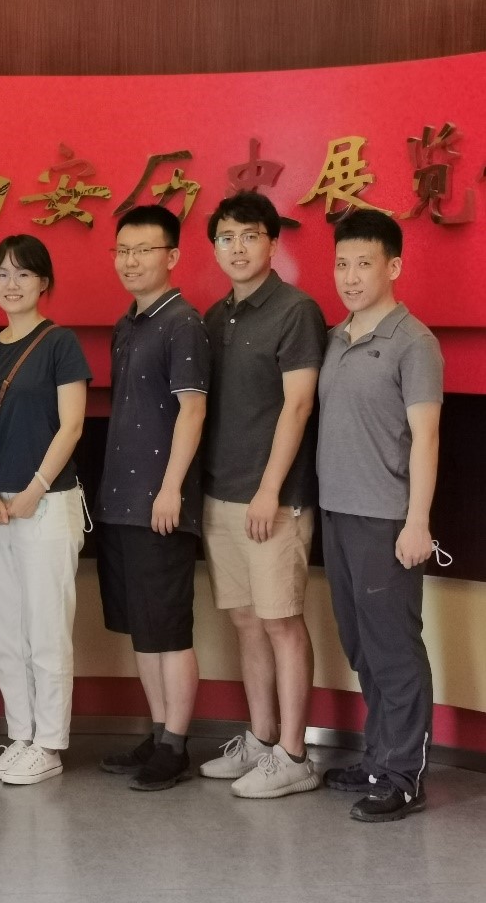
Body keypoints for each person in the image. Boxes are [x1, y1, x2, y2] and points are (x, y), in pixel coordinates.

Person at [197, 191, 327, 799]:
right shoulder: (213, 316)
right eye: (226, 237)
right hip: (220, 495)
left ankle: (295, 755)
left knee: (281, 622)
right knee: (246, 622)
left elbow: (298, 404)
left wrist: (269, 489)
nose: (237, 247)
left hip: (274, 500)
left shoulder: (296, 311)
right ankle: (261, 737)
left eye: (250, 235)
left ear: (273, 243)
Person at [317, 210, 442, 823]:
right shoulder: (335, 337)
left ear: (393, 267)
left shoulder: (414, 342)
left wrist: (418, 521)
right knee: (361, 644)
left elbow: (426, 437)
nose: (350, 276)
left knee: (393, 648)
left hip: (387, 519)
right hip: (336, 513)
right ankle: (377, 758)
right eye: (342, 263)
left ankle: (403, 775)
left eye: (363, 264)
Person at [95, 204, 209, 791]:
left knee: (168, 628)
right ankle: (159, 730)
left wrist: (170, 489)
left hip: (161, 504)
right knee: (143, 628)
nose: (131, 261)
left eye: (144, 250)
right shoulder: (127, 324)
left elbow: (193, 410)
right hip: (120, 501)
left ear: (172, 256)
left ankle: (176, 744)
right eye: (123, 250)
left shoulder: (182, 322)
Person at [0, 235, 90, 786]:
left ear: (44, 282)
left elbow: (72, 425)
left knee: (46, 630)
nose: (11, 283)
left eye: (22, 273)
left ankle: (49, 744)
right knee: (6, 629)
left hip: (47, 506)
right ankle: (20, 736)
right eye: (1, 273)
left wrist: (35, 489)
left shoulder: (60, 343)